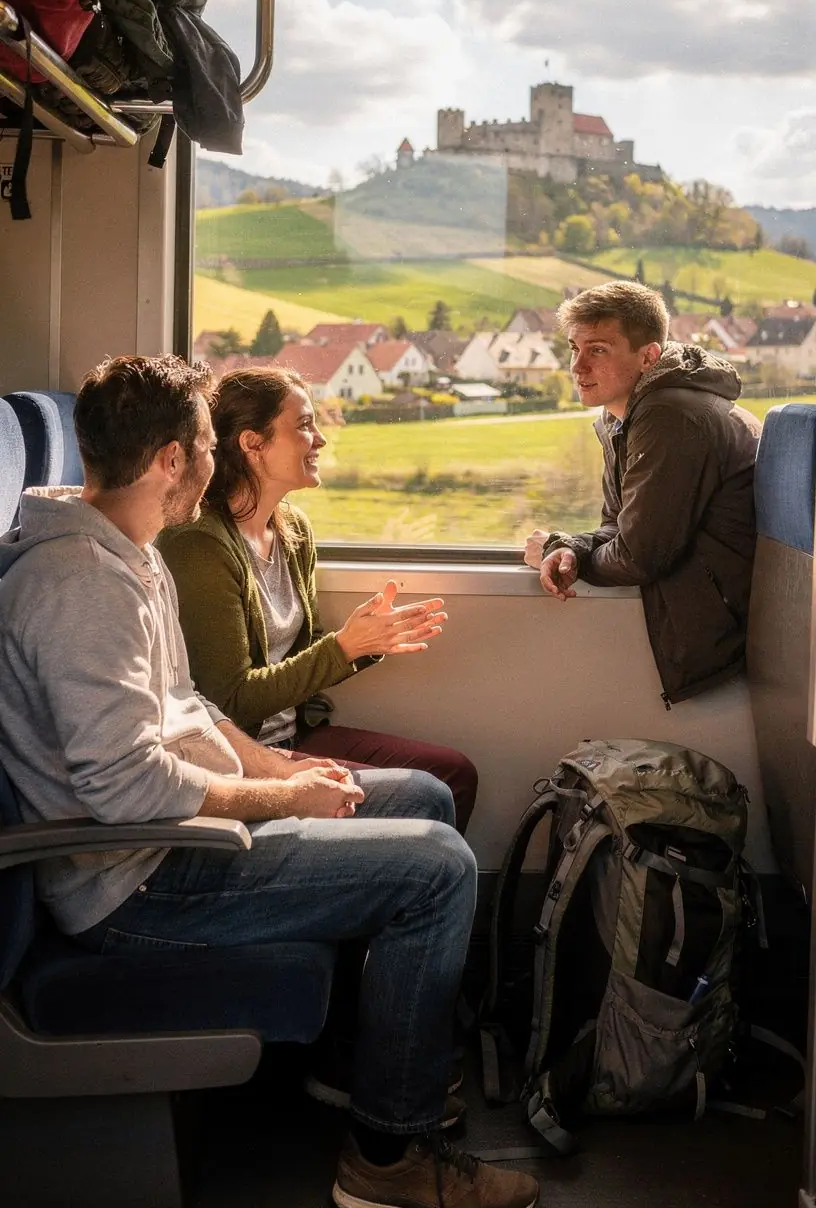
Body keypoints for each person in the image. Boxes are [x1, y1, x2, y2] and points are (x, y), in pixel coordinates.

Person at [0, 354, 537, 1208]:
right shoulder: (80, 585)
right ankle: (388, 1158)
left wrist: (282, 764)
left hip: (172, 839)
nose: (215, 465)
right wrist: (285, 801)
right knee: (437, 869)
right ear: (173, 458)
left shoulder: (127, 554)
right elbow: (127, 789)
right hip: (135, 881)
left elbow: (193, 706)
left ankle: (374, 1064)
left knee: (426, 797)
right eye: (209, 445)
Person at [157, 366, 478, 834]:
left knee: (454, 774)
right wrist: (344, 648)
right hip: (244, 751)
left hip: (295, 731)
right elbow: (232, 700)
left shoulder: (293, 530)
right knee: (427, 793)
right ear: (253, 443)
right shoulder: (200, 544)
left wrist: (370, 640)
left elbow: (303, 661)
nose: (321, 439)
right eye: (304, 425)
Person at [524, 283, 761, 706]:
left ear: (648, 356)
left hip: (729, 631)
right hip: (710, 615)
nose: (577, 367)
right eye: (573, 348)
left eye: (597, 350)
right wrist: (572, 548)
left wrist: (567, 556)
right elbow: (619, 523)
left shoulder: (670, 416)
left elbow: (639, 554)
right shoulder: (622, 417)